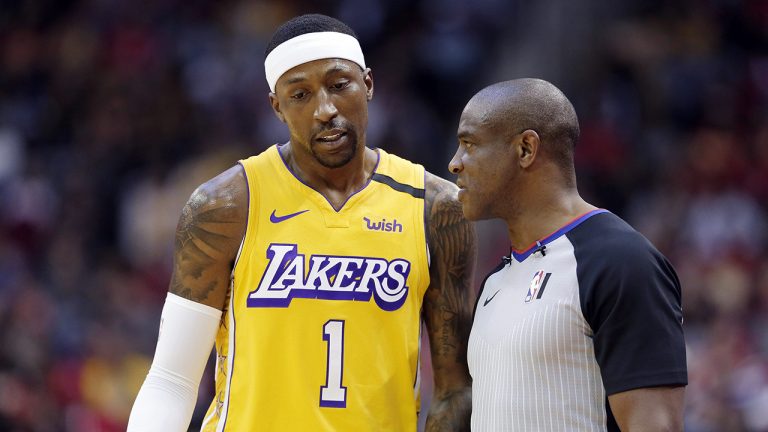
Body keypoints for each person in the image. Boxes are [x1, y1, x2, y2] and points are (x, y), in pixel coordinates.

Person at [127, 13, 476, 432]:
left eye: (339, 85)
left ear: (368, 84)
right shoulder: (225, 204)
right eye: (300, 95)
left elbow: (455, 389)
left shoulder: (435, 208)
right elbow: (172, 379)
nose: (325, 110)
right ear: (277, 106)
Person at [449, 78, 687, 431]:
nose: (455, 164)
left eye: (470, 144)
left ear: (526, 149)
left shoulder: (622, 262)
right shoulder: (494, 282)